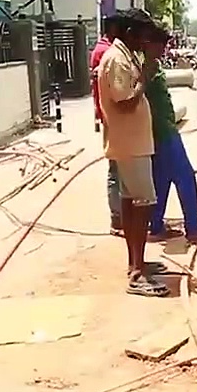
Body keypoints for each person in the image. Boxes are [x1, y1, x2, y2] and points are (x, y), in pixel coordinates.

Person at [96, 8, 169, 297]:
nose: (145, 42)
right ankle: (137, 274)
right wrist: (144, 79)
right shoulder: (117, 59)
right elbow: (124, 101)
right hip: (130, 144)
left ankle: (135, 263)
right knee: (143, 205)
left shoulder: (125, 56)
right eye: (142, 36)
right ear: (130, 34)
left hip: (133, 142)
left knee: (131, 203)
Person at [142, 28, 197, 244]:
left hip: (160, 130)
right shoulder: (145, 69)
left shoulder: (152, 65)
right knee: (185, 177)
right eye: (161, 45)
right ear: (149, 44)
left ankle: (156, 226)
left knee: (162, 179)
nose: (163, 50)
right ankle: (192, 228)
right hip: (163, 132)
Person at [90, 13, 126, 237]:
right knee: (116, 170)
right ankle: (117, 220)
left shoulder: (103, 50)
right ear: (113, 29)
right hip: (112, 117)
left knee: (119, 169)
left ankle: (121, 216)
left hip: (108, 115)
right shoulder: (107, 52)